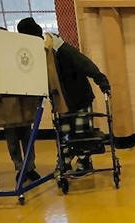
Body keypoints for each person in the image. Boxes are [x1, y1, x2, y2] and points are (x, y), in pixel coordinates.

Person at [17, 17, 111, 174]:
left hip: (79, 97)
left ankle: (84, 162)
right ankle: (65, 161)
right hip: (61, 101)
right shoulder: (36, 53)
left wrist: (101, 81)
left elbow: (84, 63)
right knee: (64, 133)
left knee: (81, 133)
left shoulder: (59, 48)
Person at [0, 26, 42, 184]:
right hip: (4, 106)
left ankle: (30, 167)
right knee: (12, 141)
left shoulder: (16, 52)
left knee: (27, 138)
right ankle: (20, 168)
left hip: (22, 103)